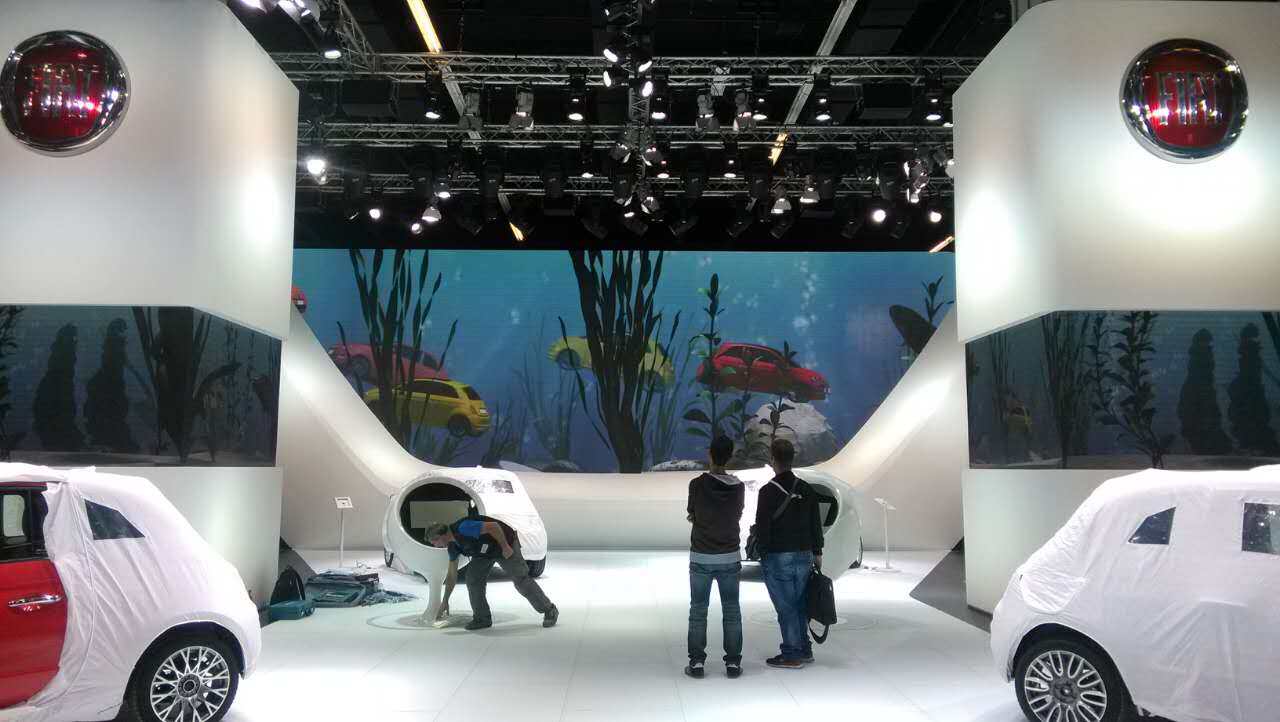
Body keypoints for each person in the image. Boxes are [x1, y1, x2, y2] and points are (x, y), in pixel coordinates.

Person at [754, 438, 823, 669]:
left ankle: (792, 653)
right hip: (804, 554)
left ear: (773, 460)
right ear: (792, 459)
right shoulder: (806, 489)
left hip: (778, 555)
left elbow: (762, 526)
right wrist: (817, 551)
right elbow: (815, 523)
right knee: (800, 603)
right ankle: (804, 648)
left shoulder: (767, 492)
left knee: (786, 607)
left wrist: (762, 552)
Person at [426, 515, 558, 631]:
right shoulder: (452, 546)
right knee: (473, 579)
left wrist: (505, 546)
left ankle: (549, 609)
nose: (435, 546)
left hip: (503, 543)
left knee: (521, 579)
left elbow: (494, 527)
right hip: (484, 552)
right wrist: (445, 601)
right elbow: (451, 575)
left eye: (434, 542)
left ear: (441, 536)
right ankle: (482, 618)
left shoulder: (464, 528)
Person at [684, 436, 746, 679]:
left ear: (710, 453)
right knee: (732, 610)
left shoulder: (696, 484)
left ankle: (697, 662)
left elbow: (692, 514)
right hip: (729, 555)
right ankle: (733, 663)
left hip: (702, 555)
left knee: (698, 610)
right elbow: (737, 514)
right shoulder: (739, 487)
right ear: (730, 456)